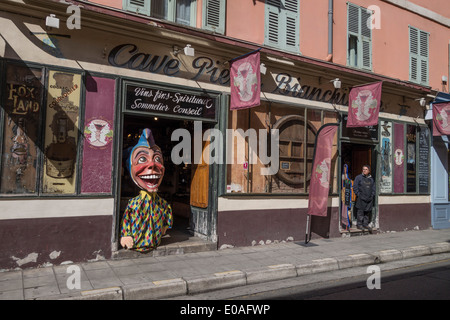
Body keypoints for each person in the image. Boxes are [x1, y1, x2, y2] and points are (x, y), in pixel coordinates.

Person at [120, 128, 173, 252]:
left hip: (155, 241)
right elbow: (126, 220)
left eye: (157, 159)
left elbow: (168, 217)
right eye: (142, 159)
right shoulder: (133, 204)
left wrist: (165, 226)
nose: (152, 165)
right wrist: (125, 235)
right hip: (137, 243)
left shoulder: (163, 204)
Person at [352, 164, 376, 232]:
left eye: (366, 169)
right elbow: (355, 187)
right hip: (361, 198)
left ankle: (365, 224)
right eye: (363, 169)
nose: (364, 170)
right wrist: (359, 195)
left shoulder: (371, 179)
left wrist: (372, 195)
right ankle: (359, 224)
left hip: (369, 198)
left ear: (369, 171)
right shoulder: (358, 177)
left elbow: (373, 188)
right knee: (360, 212)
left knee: (367, 212)